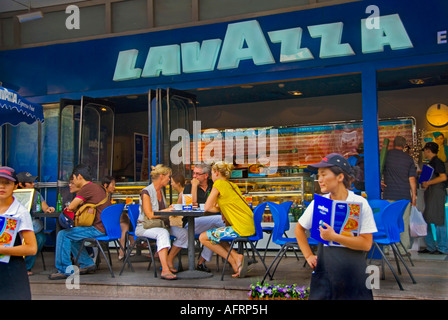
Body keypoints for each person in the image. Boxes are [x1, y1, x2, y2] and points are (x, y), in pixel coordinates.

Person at [294, 153, 377, 300]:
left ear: (340, 177)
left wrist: (334, 237)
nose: (319, 180)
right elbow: (299, 229)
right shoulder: (319, 204)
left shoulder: (359, 203)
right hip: (325, 272)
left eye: (324, 175)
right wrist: (308, 255)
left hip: (353, 273)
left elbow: (366, 244)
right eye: (318, 175)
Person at [49, 164, 111, 280]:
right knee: (72, 236)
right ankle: (87, 263)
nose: (72, 181)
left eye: (73, 178)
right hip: (106, 228)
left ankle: (64, 269)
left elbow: (71, 207)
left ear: (79, 177)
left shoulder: (87, 188)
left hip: (97, 229)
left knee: (63, 234)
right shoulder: (96, 187)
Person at [199, 161, 254, 278]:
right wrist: (221, 210)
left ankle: (234, 259)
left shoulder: (218, 183)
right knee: (219, 237)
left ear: (217, 173)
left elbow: (207, 207)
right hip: (247, 225)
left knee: (203, 238)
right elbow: (227, 205)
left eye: (212, 173)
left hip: (240, 228)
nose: (211, 176)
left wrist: (219, 210)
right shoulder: (231, 185)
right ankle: (236, 262)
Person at [135, 164, 188, 280]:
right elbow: (149, 214)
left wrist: (170, 209)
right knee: (163, 234)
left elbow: (161, 212)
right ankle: (165, 269)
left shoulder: (160, 191)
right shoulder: (146, 192)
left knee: (184, 234)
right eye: (168, 177)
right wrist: (166, 210)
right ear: (161, 176)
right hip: (144, 227)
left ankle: (169, 259)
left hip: (161, 225)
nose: (169, 180)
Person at [173, 164, 225, 272]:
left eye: (197, 174)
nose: (194, 176)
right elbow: (191, 206)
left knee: (213, 233)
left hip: (209, 222)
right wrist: (194, 187)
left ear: (206, 175)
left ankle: (201, 262)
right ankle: (232, 241)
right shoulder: (188, 187)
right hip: (192, 223)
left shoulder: (213, 185)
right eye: (193, 173)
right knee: (220, 220)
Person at [0, 167, 37, 300]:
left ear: (16, 186)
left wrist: (2, 249)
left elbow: (32, 248)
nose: (2, 186)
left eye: (7, 183)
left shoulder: (20, 212)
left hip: (12, 271)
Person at [381, 136, 417, 253]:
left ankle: (385, 248)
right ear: (404, 145)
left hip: (389, 194)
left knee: (387, 221)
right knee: (403, 222)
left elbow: (379, 171)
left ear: (393, 144)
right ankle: (403, 249)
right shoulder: (408, 159)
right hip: (404, 196)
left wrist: (380, 182)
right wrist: (413, 196)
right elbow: (412, 179)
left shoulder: (386, 156)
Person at [16, 171, 55, 275]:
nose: (33, 184)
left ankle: (26, 267)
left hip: (32, 227)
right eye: (30, 182)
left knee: (40, 238)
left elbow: (45, 207)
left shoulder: (36, 194)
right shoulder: (13, 194)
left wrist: (49, 209)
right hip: (15, 227)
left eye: (33, 182)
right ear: (20, 184)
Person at [419, 142, 447, 254]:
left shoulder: (437, 162)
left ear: (428, 150)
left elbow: (443, 177)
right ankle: (430, 246)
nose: (424, 153)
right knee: (428, 219)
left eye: (425, 150)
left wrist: (428, 183)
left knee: (439, 221)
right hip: (431, 194)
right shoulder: (430, 163)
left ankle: (443, 247)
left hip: (437, 194)